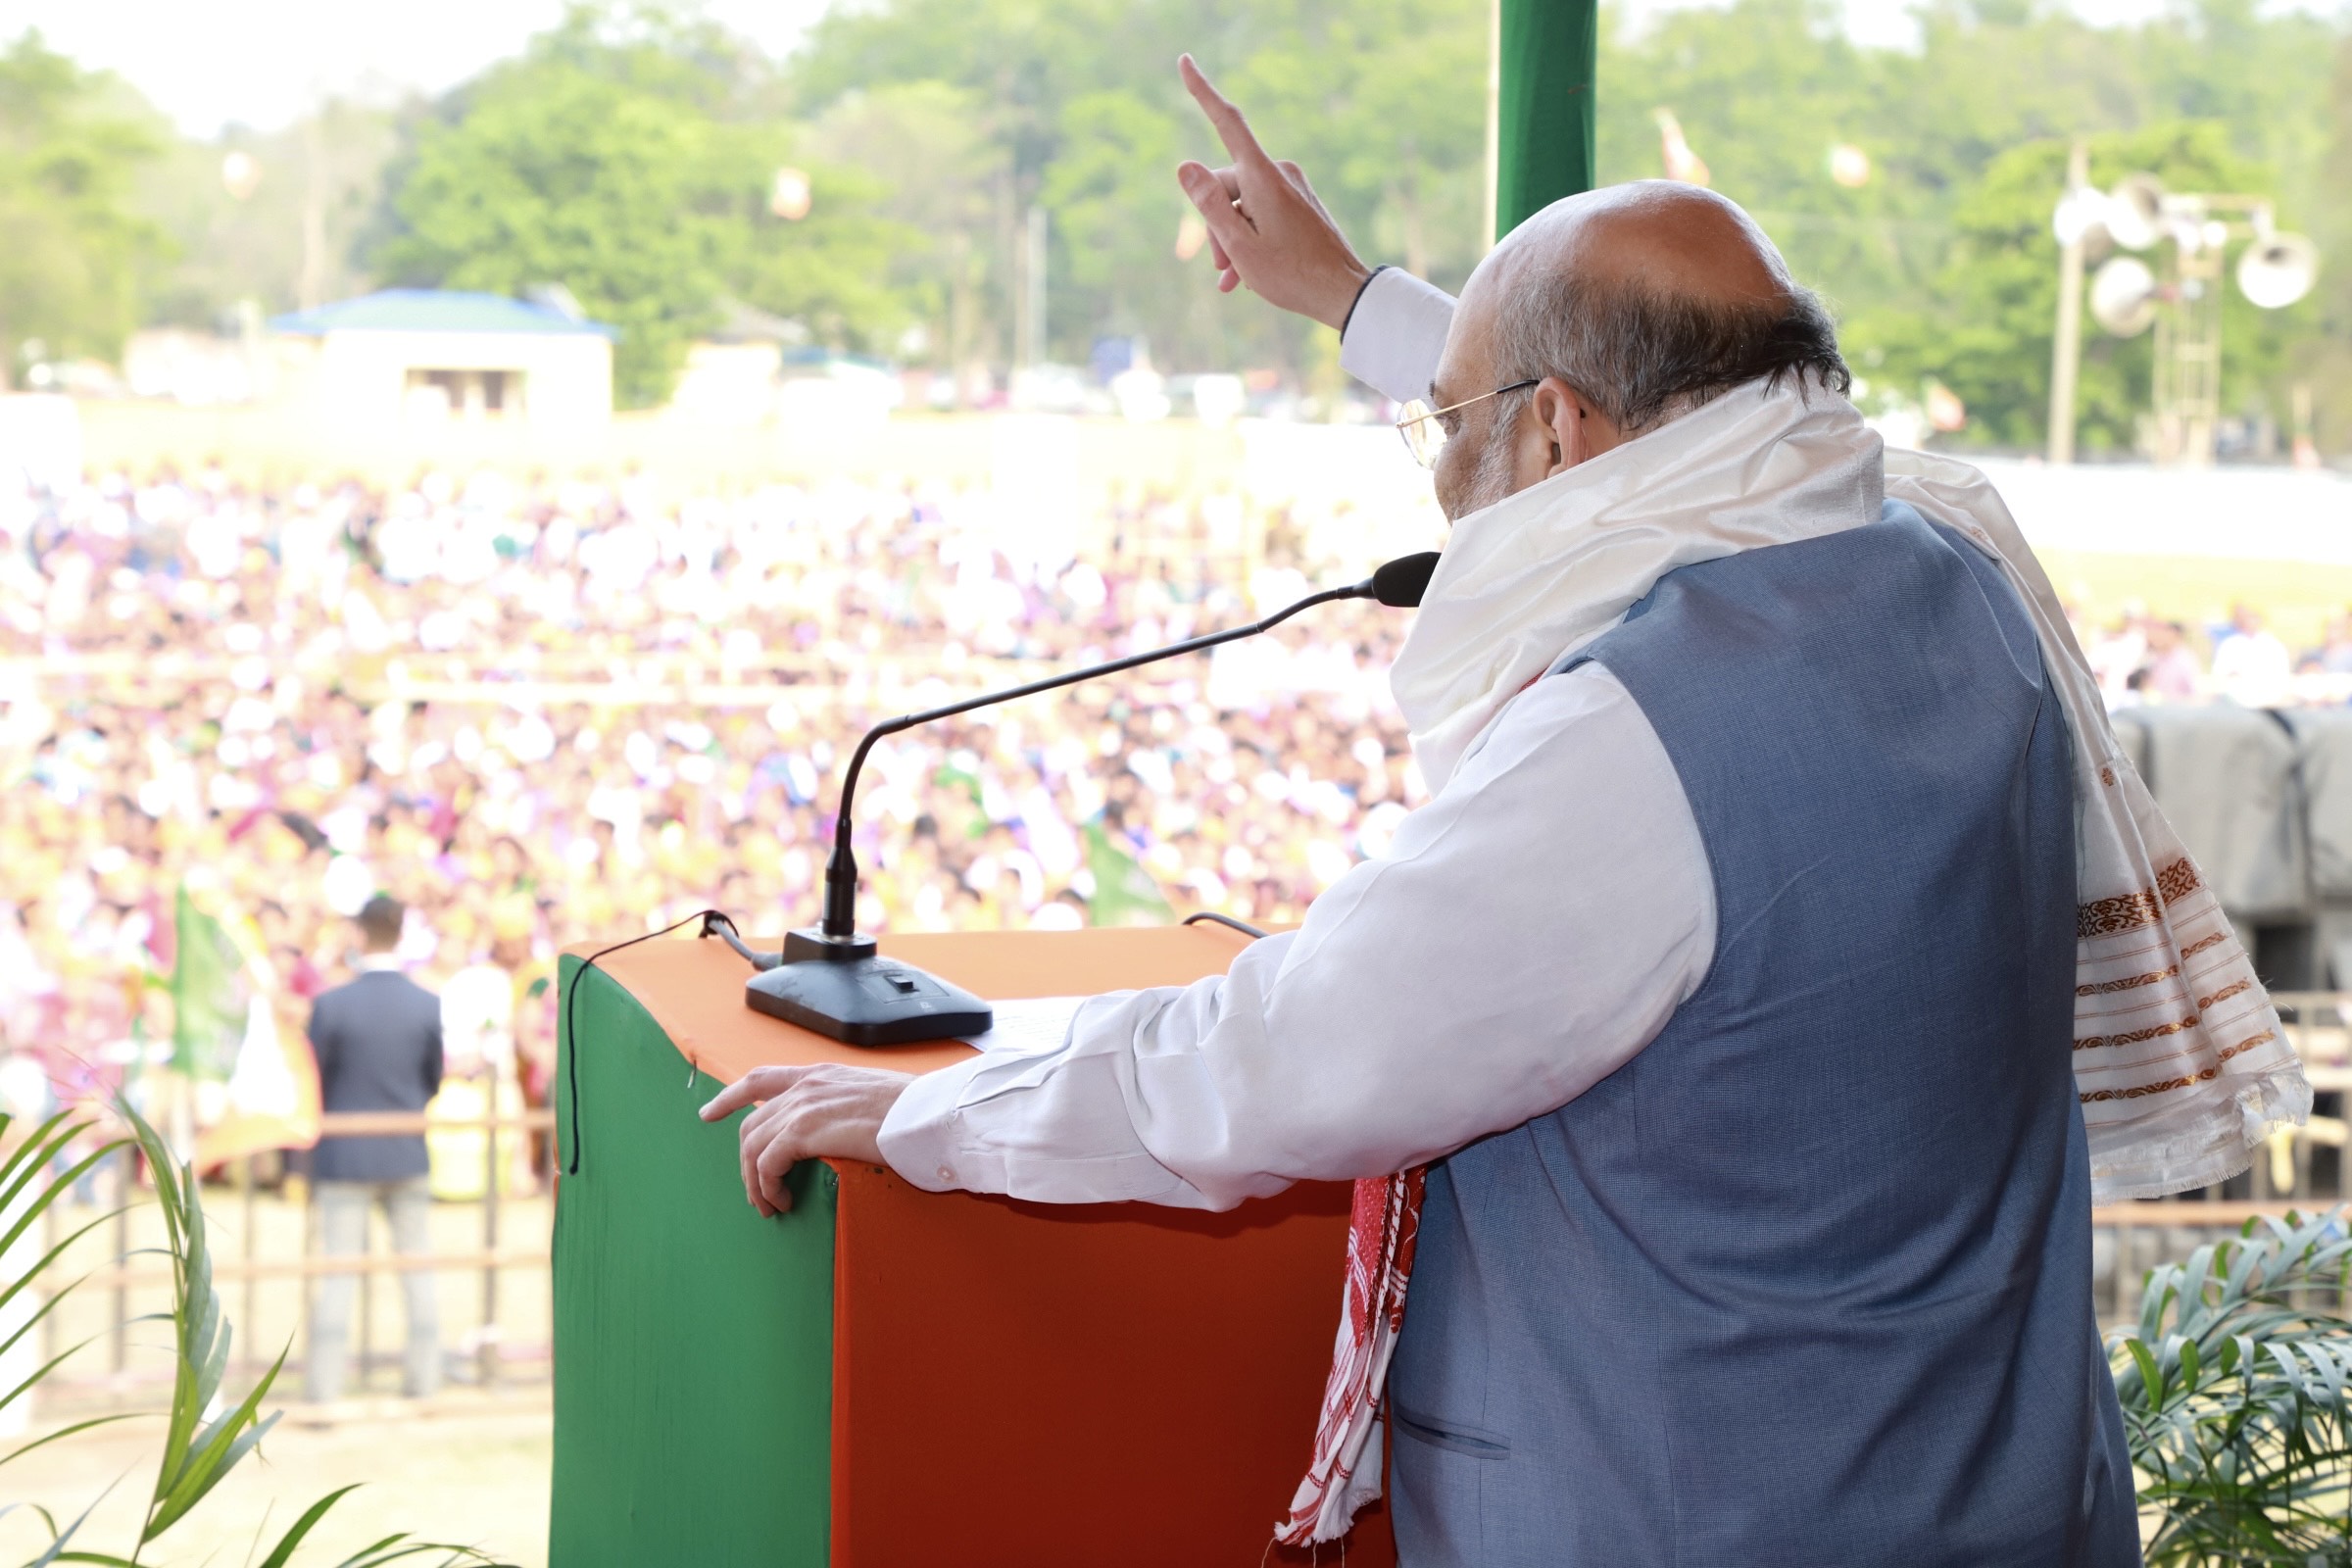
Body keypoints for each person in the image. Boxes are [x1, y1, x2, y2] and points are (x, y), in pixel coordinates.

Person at [707, 60, 2308, 1568]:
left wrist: (933, 1110)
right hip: (2009, 1503)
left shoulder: (1633, 740)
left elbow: (1281, 1066)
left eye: (1454, 428)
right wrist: (1354, 301)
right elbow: (1665, 411)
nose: (1443, 476)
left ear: (1558, 430)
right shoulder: (1949, 571)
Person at [305, 894, 444, 1402]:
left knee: (338, 1273)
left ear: (360, 935)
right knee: (418, 1270)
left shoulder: (331, 1004)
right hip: (406, 1149)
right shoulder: (426, 1002)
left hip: (345, 1154)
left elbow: (314, 1076)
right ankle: (425, 1383)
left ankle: (323, 1390)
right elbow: (433, 1079)